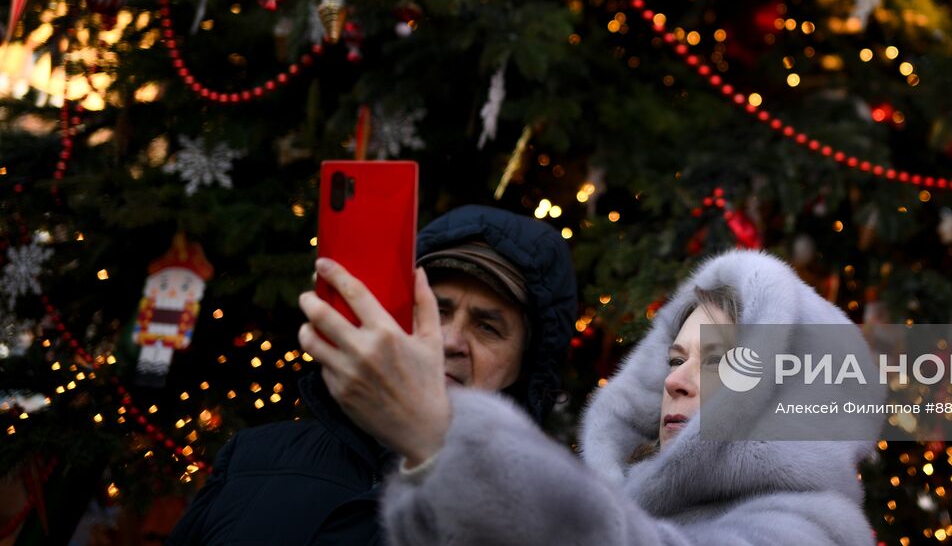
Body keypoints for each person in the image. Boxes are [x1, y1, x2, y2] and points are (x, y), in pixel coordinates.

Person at [304, 248, 877, 545]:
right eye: (675, 360)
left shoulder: (814, 527)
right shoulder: (631, 500)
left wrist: (439, 434)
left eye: (722, 362)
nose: (676, 380)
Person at [166, 205, 576, 545]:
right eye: (435, 310)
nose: (449, 340)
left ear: (524, 365)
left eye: (487, 327)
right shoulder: (252, 457)